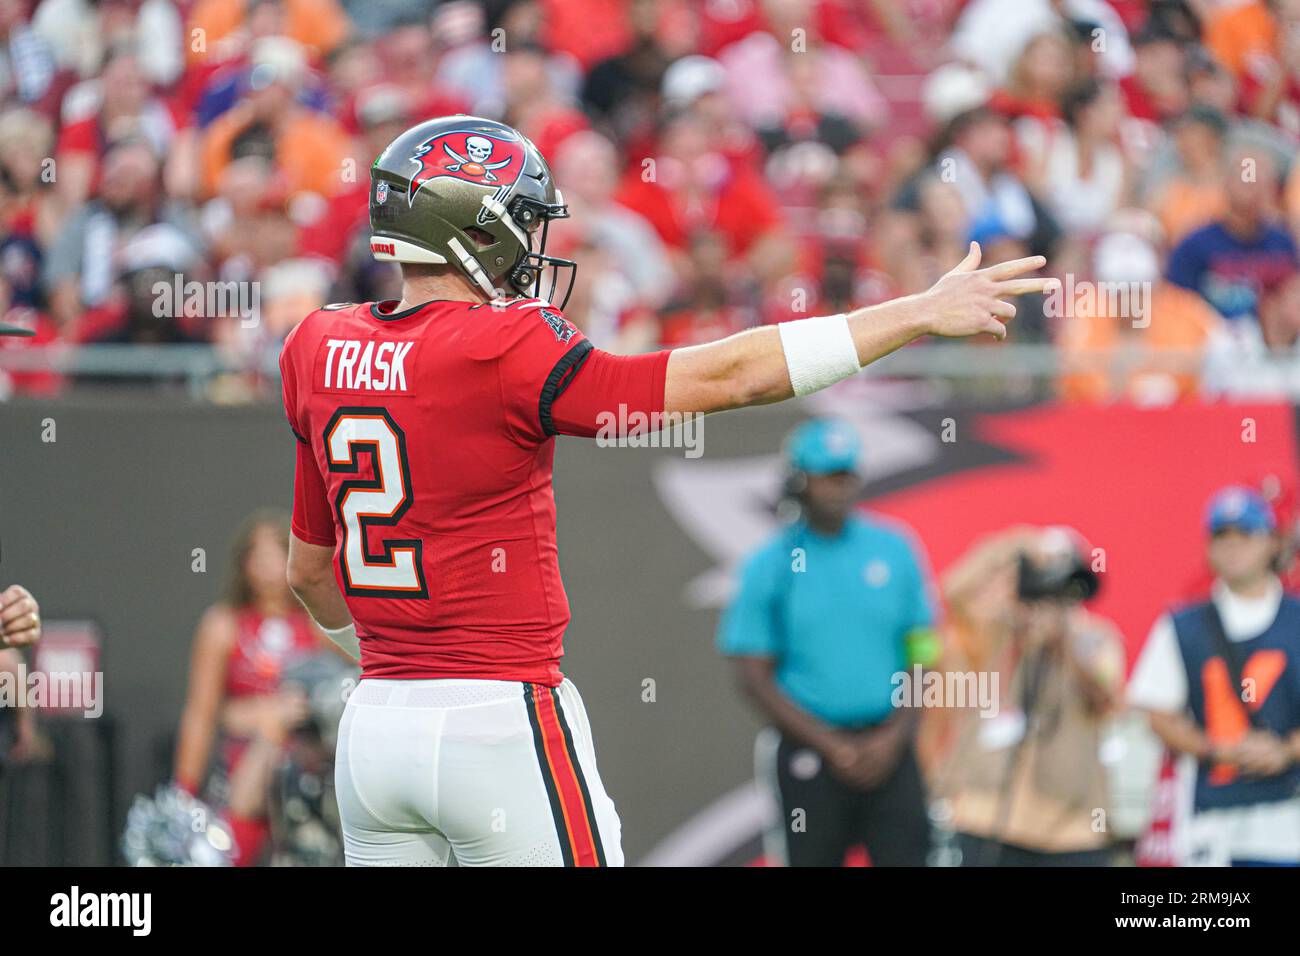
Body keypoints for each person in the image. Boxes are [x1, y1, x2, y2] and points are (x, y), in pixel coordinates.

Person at [278, 114, 1056, 867]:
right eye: (521, 220)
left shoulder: (316, 345)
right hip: (494, 716)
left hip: (374, 729)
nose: (534, 243)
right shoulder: (503, 343)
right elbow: (728, 375)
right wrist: (916, 313)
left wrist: (401, 666)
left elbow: (310, 575)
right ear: (475, 230)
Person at [717, 418, 939, 866]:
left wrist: (896, 735)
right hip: (810, 754)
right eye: (826, 474)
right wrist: (829, 744)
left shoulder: (893, 549)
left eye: (846, 473)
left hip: (889, 745)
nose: (839, 486)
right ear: (798, 481)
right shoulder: (771, 564)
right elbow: (753, 675)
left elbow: (923, 651)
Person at [931, 528, 1125, 866]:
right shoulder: (997, 630)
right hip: (989, 822)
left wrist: (1065, 633)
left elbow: (1108, 693)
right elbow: (954, 591)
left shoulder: (1094, 638)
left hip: (1070, 832)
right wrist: (1016, 552)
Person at [1129, 486, 1300, 866]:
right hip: (1210, 823)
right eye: (1222, 536)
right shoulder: (1183, 624)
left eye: (1245, 534)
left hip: (1290, 820)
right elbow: (1158, 713)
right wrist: (1215, 749)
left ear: (1273, 543)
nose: (1233, 546)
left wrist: (1286, 750)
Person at [172, 510, 335, 866]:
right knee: (265, 746)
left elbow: (346, 683)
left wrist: (290, 712)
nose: (268, 568)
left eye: (276, 555)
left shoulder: (319, 624)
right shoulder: (224, 625)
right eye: (258, 558)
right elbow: (201, 713)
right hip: (242, 766)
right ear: (243, 565)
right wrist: (183, 792)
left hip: (309, 762)